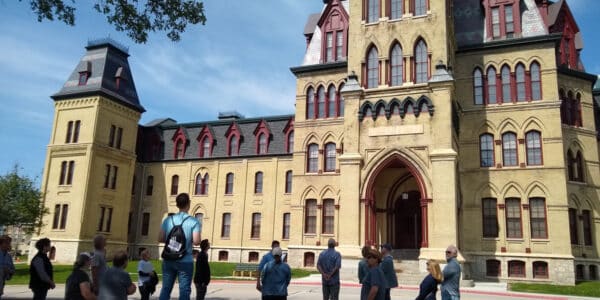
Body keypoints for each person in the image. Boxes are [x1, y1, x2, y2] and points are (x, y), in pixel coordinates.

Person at [158, 193, 201, 300]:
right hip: (185, 260)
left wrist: (173, 242)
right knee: (184, 290)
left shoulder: (168, 220)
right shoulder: (193, 222)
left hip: (168, 258)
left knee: (166, 289)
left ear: (177, 204)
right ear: (189, 204)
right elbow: (196, 241)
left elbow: (160, 238)